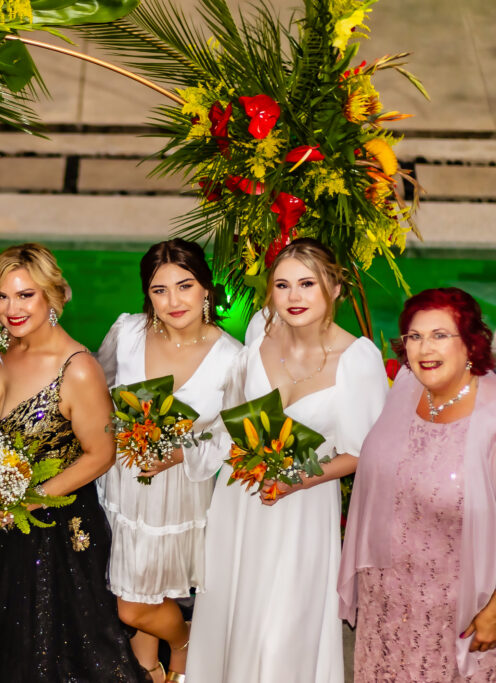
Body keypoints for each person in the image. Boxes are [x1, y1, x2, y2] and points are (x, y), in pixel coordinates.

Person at [187, 238, 388, 683]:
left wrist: (300, 479)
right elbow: (235, 409)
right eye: (282, 285)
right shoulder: (261, 327)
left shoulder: (359, 359)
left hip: (302, 507)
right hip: (239, 498)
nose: (293, 297)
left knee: (279, 637)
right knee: (230, 614)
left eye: (306, 284)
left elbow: (363, 453)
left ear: (335, 288)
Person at [0, 242, 147, 682]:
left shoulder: (77, 368)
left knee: (60, 654)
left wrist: (28, 499)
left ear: (52, 297)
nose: (10, 308)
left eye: (25, 295)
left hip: (56, 538)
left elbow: (102, 454)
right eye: (1, 296)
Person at [95, 239, 243, 681]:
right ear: (148, 295)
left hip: (179, 491)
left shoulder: (233, 358)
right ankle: (149, 669)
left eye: (185, 285)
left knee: (134, 603)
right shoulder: (127, 332)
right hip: (122, 483)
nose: (174, 301)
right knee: (133, 590)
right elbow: (97, 391)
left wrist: (177, 453)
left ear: (206, 290)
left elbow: (231, 438)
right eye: (160, 290)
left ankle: (183, 642)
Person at [339, 288, 496, 681]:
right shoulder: (406, 389)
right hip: (387, 604)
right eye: (415, 336)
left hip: (458, 609)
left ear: (472, 344)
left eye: (440, 335)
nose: (425, 347)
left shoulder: (492, 418)